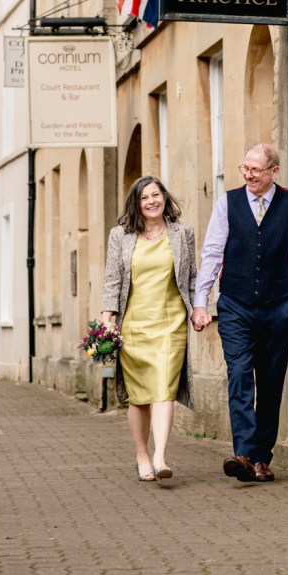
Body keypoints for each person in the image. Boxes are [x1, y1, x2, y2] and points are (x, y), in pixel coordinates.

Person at [191, 144, 288, 483]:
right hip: (235, 305)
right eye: (244, 168)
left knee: (271, 382)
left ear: (274, 172)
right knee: (240, 373)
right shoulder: (227, 204)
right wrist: (201, 302)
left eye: (255, 170)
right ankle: (244, 453)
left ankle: (262, 457)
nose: (248, 175)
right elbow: (212, 253)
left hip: (278, 307)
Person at [100, 175, 196, 483]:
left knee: (164, 388)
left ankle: (160, 455)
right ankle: (142, 453)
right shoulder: (121, 236)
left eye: (156, 195)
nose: (151, 201)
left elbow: (192, 277)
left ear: (165, 198)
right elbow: (113, 278)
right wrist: (107, 318)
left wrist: (200, 308)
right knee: (140, 396)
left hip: (171, 323)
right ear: (137, 204)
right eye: (145, 198)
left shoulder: (183, 234)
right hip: (134, 324)